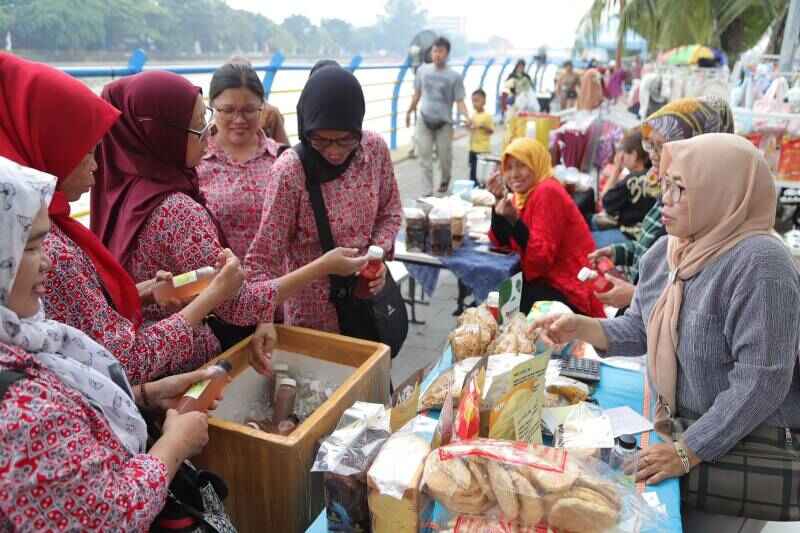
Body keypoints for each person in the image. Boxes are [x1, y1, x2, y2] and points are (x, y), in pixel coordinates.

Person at [535, 134, 800, 522]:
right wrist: (582, 327)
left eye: (681, 189)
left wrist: (688, 450)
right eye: (666, 186)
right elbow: (641, 328)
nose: (666, 200)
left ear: (723, 194)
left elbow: (761, 380)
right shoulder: (670, 250)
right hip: (679, 430)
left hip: (740, 447)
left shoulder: (761, 263)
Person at [0, 158, 227, 530]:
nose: (47, 264)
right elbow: (110, 514)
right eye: (30, 246)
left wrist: (144, 394)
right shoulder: (23, 411)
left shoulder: (24, 335)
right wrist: (173, 446)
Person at [91, 71, 368, 361]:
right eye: (200, 128)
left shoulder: (121, 189)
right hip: (181, 360)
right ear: (162, 134)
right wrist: (322, 266)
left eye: (207, 122)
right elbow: (238, 304)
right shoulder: (178, 211)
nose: (209, 136)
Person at [0, 53, 242, 384]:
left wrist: (143, 291)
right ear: (48, 149)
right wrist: (212, 297)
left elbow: (81, 317)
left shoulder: (42, 222)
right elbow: (126, 360)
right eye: (86, 152)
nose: (97, 166)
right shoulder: (47, 245)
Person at [244, 65, 403, 366]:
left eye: (344, 140)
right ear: (307, 128)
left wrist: (376, 256)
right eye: (321, 140)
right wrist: (264, 318)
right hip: (312, 318)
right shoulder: (290, 171)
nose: (333, 151)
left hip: (366, 306)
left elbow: (391, 211)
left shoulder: (374, 151)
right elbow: (261, 261)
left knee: (371, 394)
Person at [589, 96, 734, 310]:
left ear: (695, 146)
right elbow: (652, 255)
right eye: (651, 146)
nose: (654, 156)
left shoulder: (705, 218)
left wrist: (636, 296)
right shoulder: (667, 194)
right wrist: (619, 252)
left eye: (662, 147)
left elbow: (696, 302)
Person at [487, 137, 605, 317]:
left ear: (536, 164)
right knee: (501, 296)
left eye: (522, 165)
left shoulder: (547, 191)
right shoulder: (520, 197)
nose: (514, 174)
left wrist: (514, 220)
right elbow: (503, 245)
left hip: (570, 285)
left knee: (503, 301)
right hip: (548, 278)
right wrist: (496, 205)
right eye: (509, 168)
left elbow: (541, 259)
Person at [198, 62, 285, 259]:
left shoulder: (281, 158)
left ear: (262, 107)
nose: (239, 119)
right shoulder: (195, 163)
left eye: (249, 110)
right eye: (228, 110)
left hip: (280, 284)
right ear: (211, 107)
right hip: (221, 284)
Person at [405, 36, 469, 196]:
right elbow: (417, 94)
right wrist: (409, 111)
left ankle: (445, 179)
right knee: (424, 158)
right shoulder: (422, 70)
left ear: (447, 53)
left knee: (444, 158)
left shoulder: (454, 76)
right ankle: (427, 192)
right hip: (424, 120)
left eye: (441, 51)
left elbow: (460, 101)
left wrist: (467, 117)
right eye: (434, 51)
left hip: (444, 124)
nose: (437, 54)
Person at [594, 128, 655, 242]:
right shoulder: (654, 176)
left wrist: (616, 170)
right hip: (645, 237)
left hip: (630, 236)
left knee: (588, 237)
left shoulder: (632, 180)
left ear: (634, 155)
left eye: (624, 153)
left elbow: (605, 201)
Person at [468, 88, 494, 185]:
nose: (474, 104)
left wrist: (482, 126)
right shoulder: (473, 114)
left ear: (484, 101)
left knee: (480, 171)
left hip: (482, 149)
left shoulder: (487, 116)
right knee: (472, 170)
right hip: (472, 148)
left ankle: (479, 186)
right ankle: (472, 186)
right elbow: (471, 128)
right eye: (473, 101)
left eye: (476, 101)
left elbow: (491, 130)